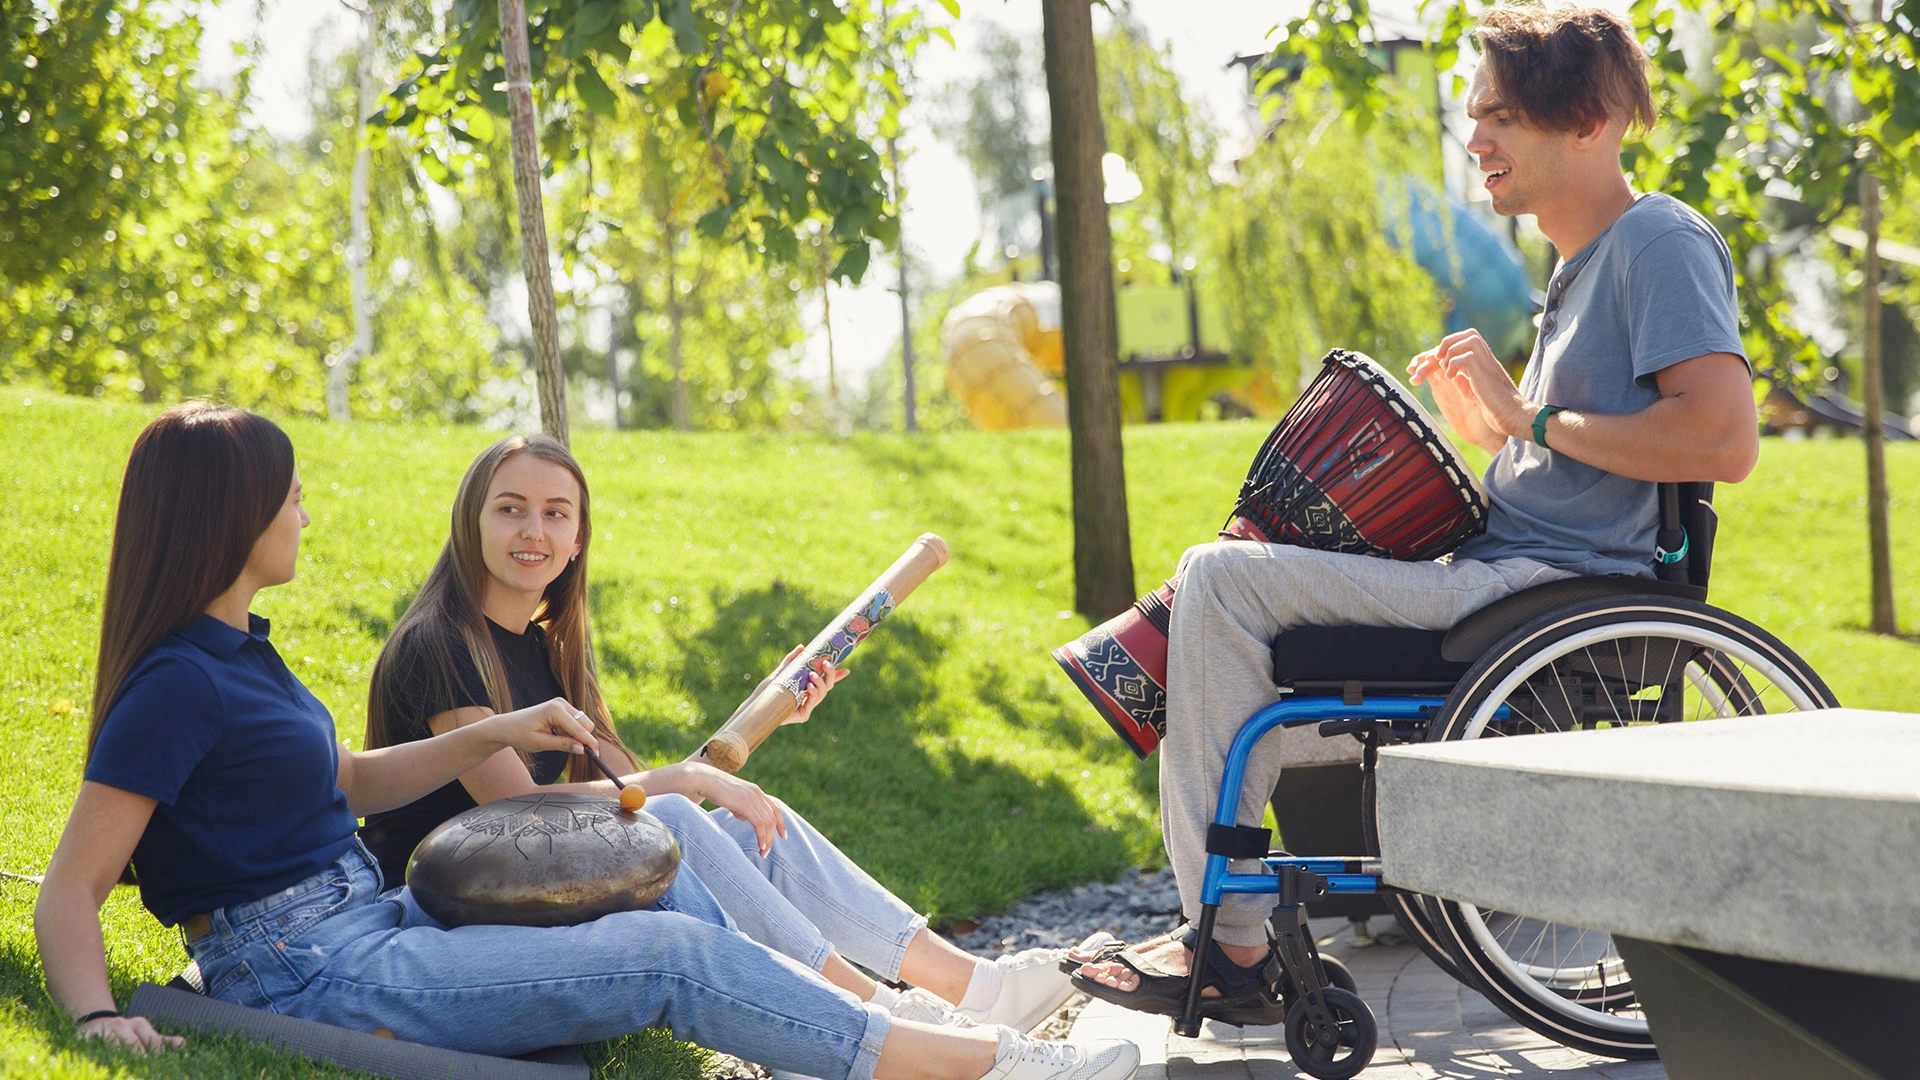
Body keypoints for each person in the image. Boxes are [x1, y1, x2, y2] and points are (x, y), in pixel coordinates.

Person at [33, 403, 1138, 1080]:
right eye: (291, 498)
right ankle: (975, 1062)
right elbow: (71, 888)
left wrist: (513, 722)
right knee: (667, 949)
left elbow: (355, 780)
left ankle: (934, 1036)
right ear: (232, 516)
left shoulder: (242, 654)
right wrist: (93, 1015)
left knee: (675, 855)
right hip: (304, 965)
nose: (306, 516)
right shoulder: (179, 681)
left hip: (369, 918)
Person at [1072, 3, 1760, 1016]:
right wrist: (1496, 432)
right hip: (1508, 572)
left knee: (1220, 582)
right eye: (1476, 114)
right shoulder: (1576, 270)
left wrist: (1534, 417)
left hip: (1544, 594)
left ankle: (1230, 946)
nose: (1475, 137)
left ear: (1590, 120)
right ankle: (1229, 931)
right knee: (1228, 605)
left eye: (1504, 116)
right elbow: (1576, 452)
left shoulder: (1657, 240)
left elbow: (1721, 439)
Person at [357, 433, 1085, 1035]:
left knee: (749, 829)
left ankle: (975, 988)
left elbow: (620, 796)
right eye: (511, 510)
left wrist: (771, 710)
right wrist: (698, 782)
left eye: (556, 513)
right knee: (684, 811)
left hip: (526, 879)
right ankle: (875, 1015)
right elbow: (524, 811)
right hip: (448, 906)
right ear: (472, 522)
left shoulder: (544, 646)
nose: (533, 532)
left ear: (578, 538)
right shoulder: (440, 645)